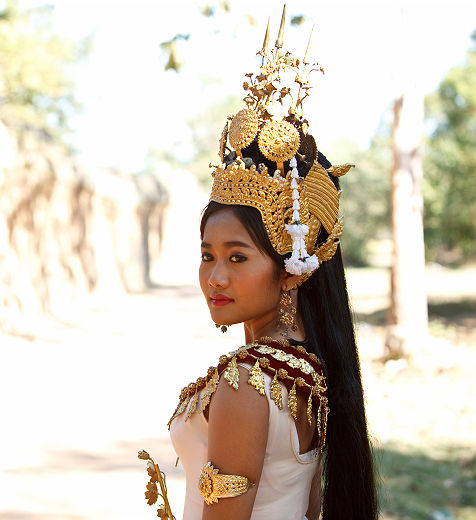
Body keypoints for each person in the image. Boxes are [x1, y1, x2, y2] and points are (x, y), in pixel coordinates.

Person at [160, 11, 379, 520]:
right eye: (207, 256)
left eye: (238, 257)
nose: (215, 277)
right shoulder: (309, 368)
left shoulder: (246, 382)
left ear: (293, 267)